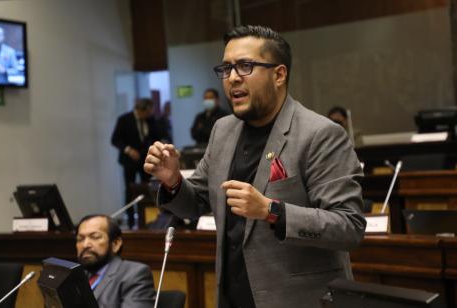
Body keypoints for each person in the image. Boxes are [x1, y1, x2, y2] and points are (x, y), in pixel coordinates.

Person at [144, 25, 365, 308]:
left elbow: (349, 227)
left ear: (279, 74)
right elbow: (195, 204)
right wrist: (172, 181)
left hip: (296, 300)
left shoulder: (320, 134)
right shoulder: (222, 130)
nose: (233, 78)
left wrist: (271, 211)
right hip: (233, 297)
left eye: (245, 66)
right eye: (226, 68)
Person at [76, 214, 156, 308]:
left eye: (95, 237)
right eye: (80, 239)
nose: (85, 245)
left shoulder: (135, 274)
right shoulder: (77, 276)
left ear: (115, 244)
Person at [111, 98, 159, 229]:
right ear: (140, 110)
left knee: (149, 188)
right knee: (130, 190)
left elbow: (155, 135)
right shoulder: (124, 119)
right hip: (129, 161)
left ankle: (150, 219)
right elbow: (115, 139)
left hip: (145, 160)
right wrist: (128, 150)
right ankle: (132, 222)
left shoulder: (150, 120)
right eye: (148, 111)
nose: (150, 114)